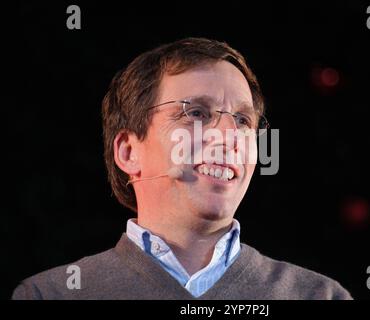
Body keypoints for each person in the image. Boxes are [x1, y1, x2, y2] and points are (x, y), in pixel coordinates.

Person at [12, 37, 352, 300]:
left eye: (243, 120)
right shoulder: (49, 294)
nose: (229, 137)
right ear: (129, 152)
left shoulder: (320, 295)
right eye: (197, 114)